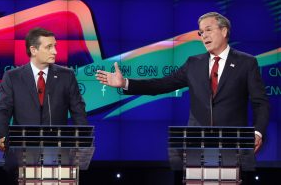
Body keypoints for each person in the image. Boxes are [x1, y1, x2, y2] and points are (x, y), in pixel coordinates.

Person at [96, 11, 269, 173]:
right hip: (196, 147)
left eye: (208, 30)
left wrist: (257, 132)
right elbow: (162, 85)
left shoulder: (246, 63)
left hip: (233, 147)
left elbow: (260, 103)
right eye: (201, 33)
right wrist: (125, 83)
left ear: (224, 31)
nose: (204, 36)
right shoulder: (194, 63)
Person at [0, 27, 88, 184]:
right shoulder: (13, 77)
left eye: (55, 46)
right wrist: (3, 136)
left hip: (58, 154)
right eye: (49, 47)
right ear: (33, 49)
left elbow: (78, 110)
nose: (55, 51)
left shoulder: (67, 75)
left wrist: (83, 140)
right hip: (23, 151)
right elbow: (3, 110)